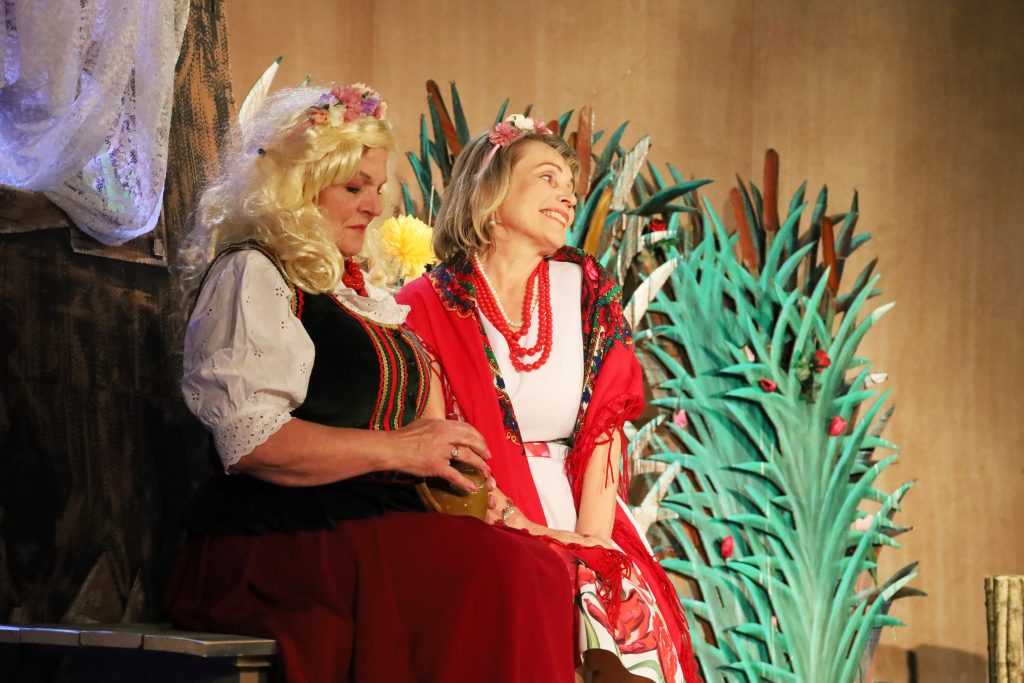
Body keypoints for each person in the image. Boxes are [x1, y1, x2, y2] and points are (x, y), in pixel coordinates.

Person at [165, 85, 577, 683]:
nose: (373, 206)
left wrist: (460, 474)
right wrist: (401, 450)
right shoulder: (254, 273)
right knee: (498, 573)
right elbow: (252, 444)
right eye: (354, 188)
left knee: (539, 566)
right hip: (278, 535)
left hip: (365, 522)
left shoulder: (358, 295)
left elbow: (409, 426)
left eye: (378, 189)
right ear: (302, 186)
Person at [397, 116, 703, 683]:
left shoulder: (586, 288)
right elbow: (439, 444)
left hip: (584, 511)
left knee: (620, 627)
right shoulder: (425, 303)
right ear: (490, 192)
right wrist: (524, 528)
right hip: (479, 520)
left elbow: (605, 426)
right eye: (547, 177)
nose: (568, 196)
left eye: (570, 185)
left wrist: (592, 547)